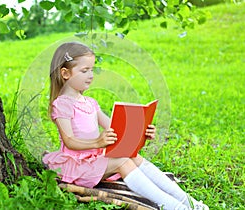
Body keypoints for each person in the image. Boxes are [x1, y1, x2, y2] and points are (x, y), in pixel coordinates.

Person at [42, 41, 209, 210]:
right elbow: (69, 140)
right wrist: (97, 143)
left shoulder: (90, 103)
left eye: (92, 69)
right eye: (85, 71)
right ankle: (175, 207)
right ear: (65, 73)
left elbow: (114, 128)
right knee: (122, 161)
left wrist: (142, 132)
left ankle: (188, 201)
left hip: (94, 158)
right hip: (77, 165)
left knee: (133, 156)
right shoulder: (62, 104)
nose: (91, 75)